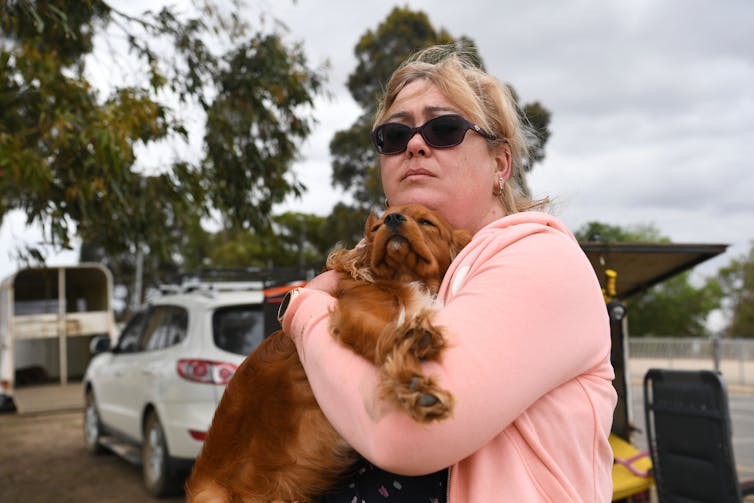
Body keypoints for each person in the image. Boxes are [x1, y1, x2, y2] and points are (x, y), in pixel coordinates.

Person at [279, 45, 617, 502]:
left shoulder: (542, 258)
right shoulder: (386, 275)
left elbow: (407, 433)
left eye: (444, 129)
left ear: (500, 163)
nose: (415, 144)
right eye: (394, 136)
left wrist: (302, 310)